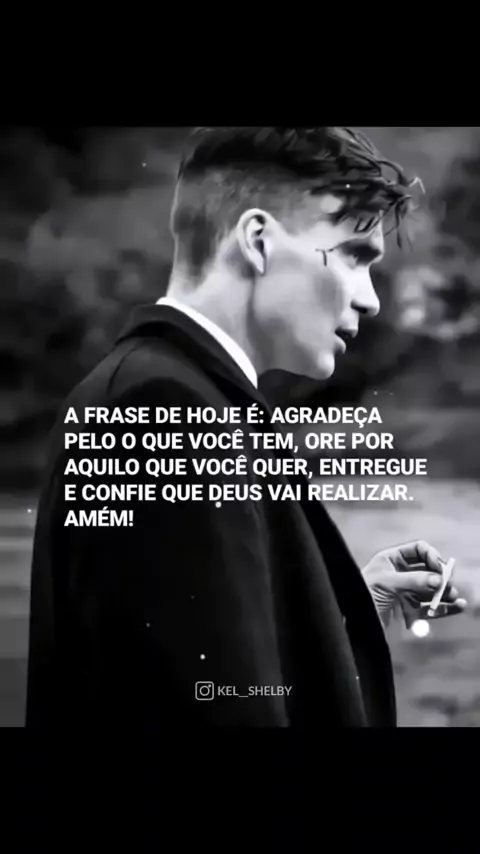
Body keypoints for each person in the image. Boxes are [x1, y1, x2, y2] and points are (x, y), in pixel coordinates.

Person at [26, 127, 467, 729]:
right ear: (258, 241)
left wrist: (337, 613)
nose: (371, 300)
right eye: (353, 255)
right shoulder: (169, 408)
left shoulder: (184, 396)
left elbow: (202, 672)